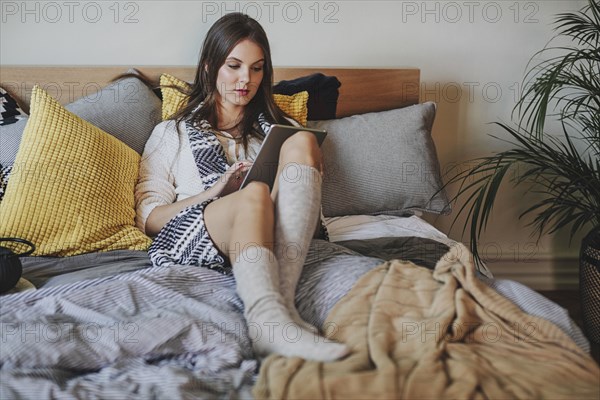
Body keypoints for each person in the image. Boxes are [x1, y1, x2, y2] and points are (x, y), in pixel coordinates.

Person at [135, 12, 348, 362]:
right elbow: (150, 219)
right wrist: (213, 192)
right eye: (233, 66)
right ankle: (271, 319)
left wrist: (303, 168)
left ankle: (278, 316)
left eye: (256, 68)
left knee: (302, 144)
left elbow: (307, 212)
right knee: (252, 194)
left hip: (276, 231)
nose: (245, 80)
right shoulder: (171, 134)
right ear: (209, 67)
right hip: (203, 231)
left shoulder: (282, 128)